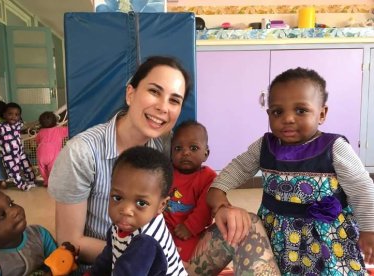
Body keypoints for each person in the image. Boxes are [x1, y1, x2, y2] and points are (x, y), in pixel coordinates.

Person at [48, 56, 279, 275]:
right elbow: (71, 242)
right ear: (131, 93)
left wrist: (221, 208)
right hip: (116, 265)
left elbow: (203, 179)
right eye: (154, 92)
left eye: (174, 100)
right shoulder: (82, 153)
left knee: (245, 225)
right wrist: (146, 255)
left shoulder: (168, 145)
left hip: (169, 259)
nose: (163, 107)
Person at [207, 67, 374, 275]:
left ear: (322, 114)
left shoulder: (334, 147)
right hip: (277, 235)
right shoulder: (264, 146)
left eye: (301, 110)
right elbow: (239, 167)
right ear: (269, 114)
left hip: (327, 238)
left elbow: (362, 189)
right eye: (278, 112)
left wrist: (369, 229)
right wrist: (219, 188)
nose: (287, 118)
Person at [88, 146, 186, 275]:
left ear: (161, 205)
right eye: (117, 198)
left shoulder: (146, 242)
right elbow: (108, 257)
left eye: (141, 203)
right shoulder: (124, 225)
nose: (126, 210)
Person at [163, 120, 215, 262]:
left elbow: (204, 209)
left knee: (188, 256)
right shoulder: (166, 172)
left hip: (190, 230)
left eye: (193, 148)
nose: (185, 153)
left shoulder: (208, 177)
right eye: (178, 149)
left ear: (206, 153)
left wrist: (189, 227)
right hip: (164, 225)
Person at [0, 102, 36, 191]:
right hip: (8, 155)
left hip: (20, 152)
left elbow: (28, 126)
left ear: (19, 116)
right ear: (4, 114)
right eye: (10, 114)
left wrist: (38, 123)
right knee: (13, 172)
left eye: (17, 115)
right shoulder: (0, 126)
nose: (13, 117)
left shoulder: (18, 124)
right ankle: (23, 186)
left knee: (27, 167)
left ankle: (31, 181)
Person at [36, 111, 68, 187]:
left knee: (42, 169)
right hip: (53, 154)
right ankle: (53, 183)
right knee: (53, 169)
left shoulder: (40, 132)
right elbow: (70, 129)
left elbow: (37, 141)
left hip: (41, 154)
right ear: (56, 121)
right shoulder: (60, 130)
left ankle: (46, 181)